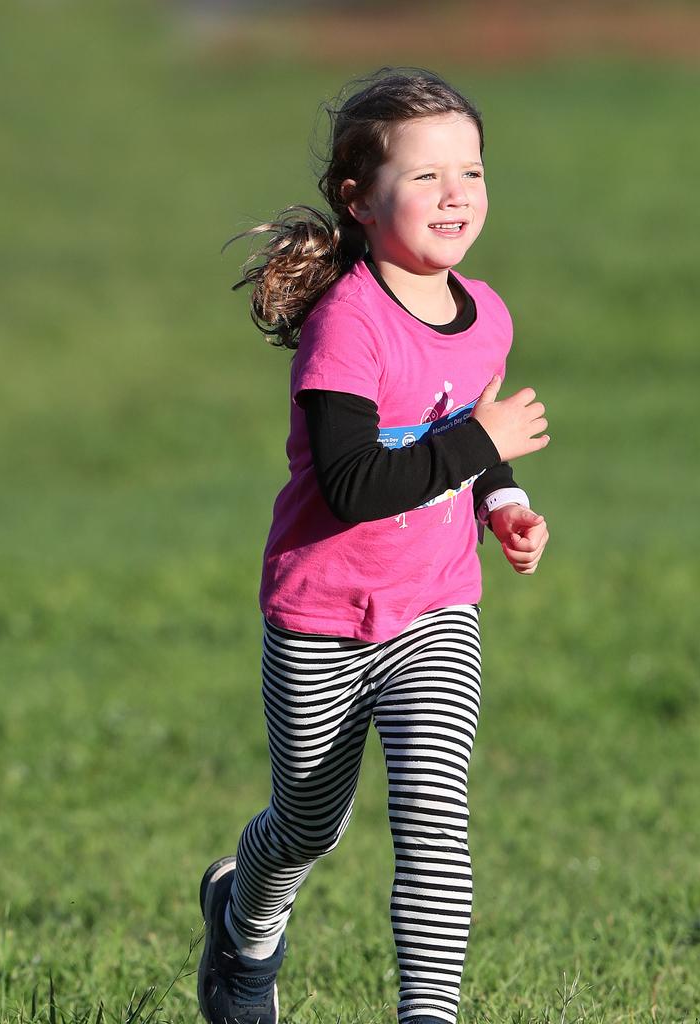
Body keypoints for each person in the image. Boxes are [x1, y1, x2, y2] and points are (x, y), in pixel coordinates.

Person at [197, 67, 550, 1024]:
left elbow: (456, 446)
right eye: (425, 177)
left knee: (434, 822)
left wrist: (504, 500)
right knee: (309, 823)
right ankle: (244, 917)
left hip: (436, 609)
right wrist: (488, 444)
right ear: (359, 198)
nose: (455, 196)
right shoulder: (346, 326)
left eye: (470, 172)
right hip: (321, 616)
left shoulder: (487, 316)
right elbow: (357, 484)